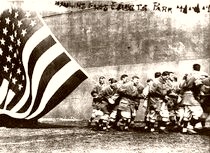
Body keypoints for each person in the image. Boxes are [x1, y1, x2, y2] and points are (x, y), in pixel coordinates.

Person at [179, 64, 204, 134]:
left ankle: (184, 129)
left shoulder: (187, 75)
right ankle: (190, 127)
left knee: (187, 113)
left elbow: (181, 85)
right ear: (199, 68)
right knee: (199, 112)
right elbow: (197, 86)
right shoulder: (198, 75)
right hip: (192, 95)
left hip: (185, 95)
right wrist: (198, 95)